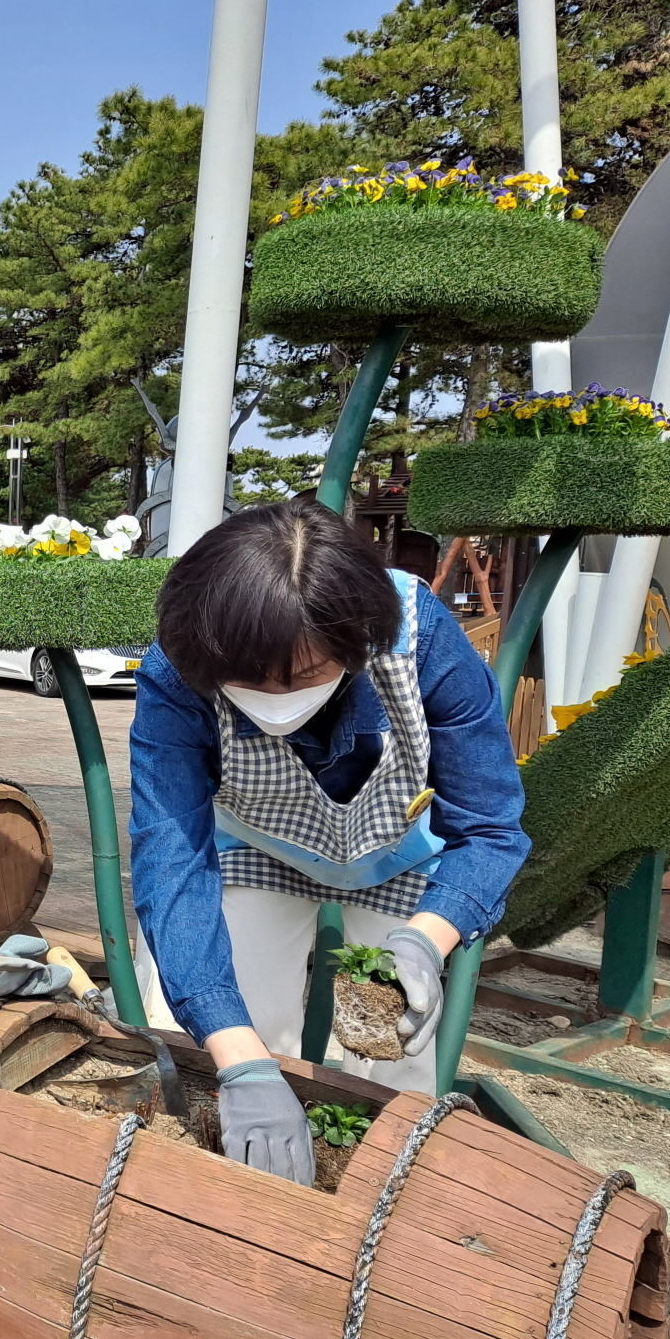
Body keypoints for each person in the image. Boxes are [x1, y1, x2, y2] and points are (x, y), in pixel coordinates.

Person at [128, 498, 529, 1185]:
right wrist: (241, 1058)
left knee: (395, 1050)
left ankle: (385, 1195)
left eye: (307, 674)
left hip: (395, 850)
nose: (276, 697)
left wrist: (425, 941)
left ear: (358, 640)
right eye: (247, 681)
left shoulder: (417, 638)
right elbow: (172, 861)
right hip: (258, 844)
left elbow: (490, 826)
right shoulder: (184, 662)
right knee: (229, 1033)